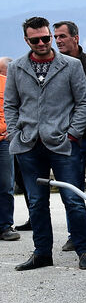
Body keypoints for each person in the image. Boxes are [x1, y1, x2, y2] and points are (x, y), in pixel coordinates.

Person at [5, 16, 86, 271]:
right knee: (36, 202)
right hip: (28, 145)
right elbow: (10, 104)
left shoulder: (71, 65)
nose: (43, 43)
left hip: (63, 144)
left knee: (73, 199)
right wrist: (15, 133)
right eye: (36, 40)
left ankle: (84, 251)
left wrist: (73, 134)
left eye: (47, 38)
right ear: (27, 40)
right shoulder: (17, 67)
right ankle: (42, 253)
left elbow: (84, 102)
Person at [53, 20, 86, 252]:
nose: (58, 41)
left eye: (62, 36)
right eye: (56, 37)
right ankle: (76, 235)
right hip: (72, 138)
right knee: (72, 190)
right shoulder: (55, 67)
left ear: (76, 38)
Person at [1, 56, 18, 242]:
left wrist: (13, 129)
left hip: (3, 141)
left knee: (6, 184)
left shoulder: (5, 83)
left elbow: (17, 106)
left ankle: (5, 226)